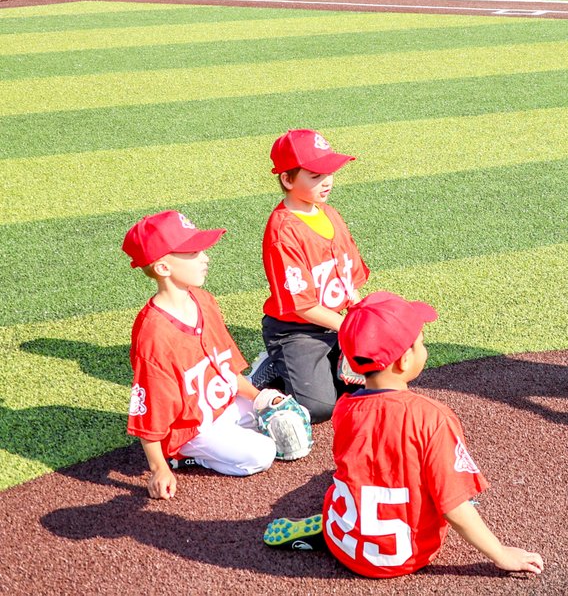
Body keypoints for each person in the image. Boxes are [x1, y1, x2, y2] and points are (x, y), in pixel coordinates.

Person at [261, 292, 544, 578]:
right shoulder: (432, 417)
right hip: (407, 555)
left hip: (344, 545)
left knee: (356, 477)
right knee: (447, 487)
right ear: (404, 361)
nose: (424, 348)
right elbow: (454, 507)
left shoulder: (345, 407)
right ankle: (339, 524)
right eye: (421, 343)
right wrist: (501, 553)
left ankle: (334, 526)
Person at [123, 210, 279, 499]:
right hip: (190, 428)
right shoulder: (154, 333)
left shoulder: (203, 300)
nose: (205, 257)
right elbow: (151, 408)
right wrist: (158, 468)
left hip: (221, 404)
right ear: (163, 268)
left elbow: (227, 366)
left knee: (278, 411)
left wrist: (259, 397)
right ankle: (186, 456)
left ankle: (236, 429)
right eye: (193, 252)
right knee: (262, 453)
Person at [255, 129, 370, 424]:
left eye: (329, 171)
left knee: (375, 380)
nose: (327, 180)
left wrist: (360, 318)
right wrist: (348, 330)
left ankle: (323, 366)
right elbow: (302, 306)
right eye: (315, 174)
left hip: (334, 323)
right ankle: (274, 366)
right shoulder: (284, 230)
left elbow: (349, 279)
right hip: (296, 330)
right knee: (318, 409)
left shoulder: (330, 213)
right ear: (287, 179)